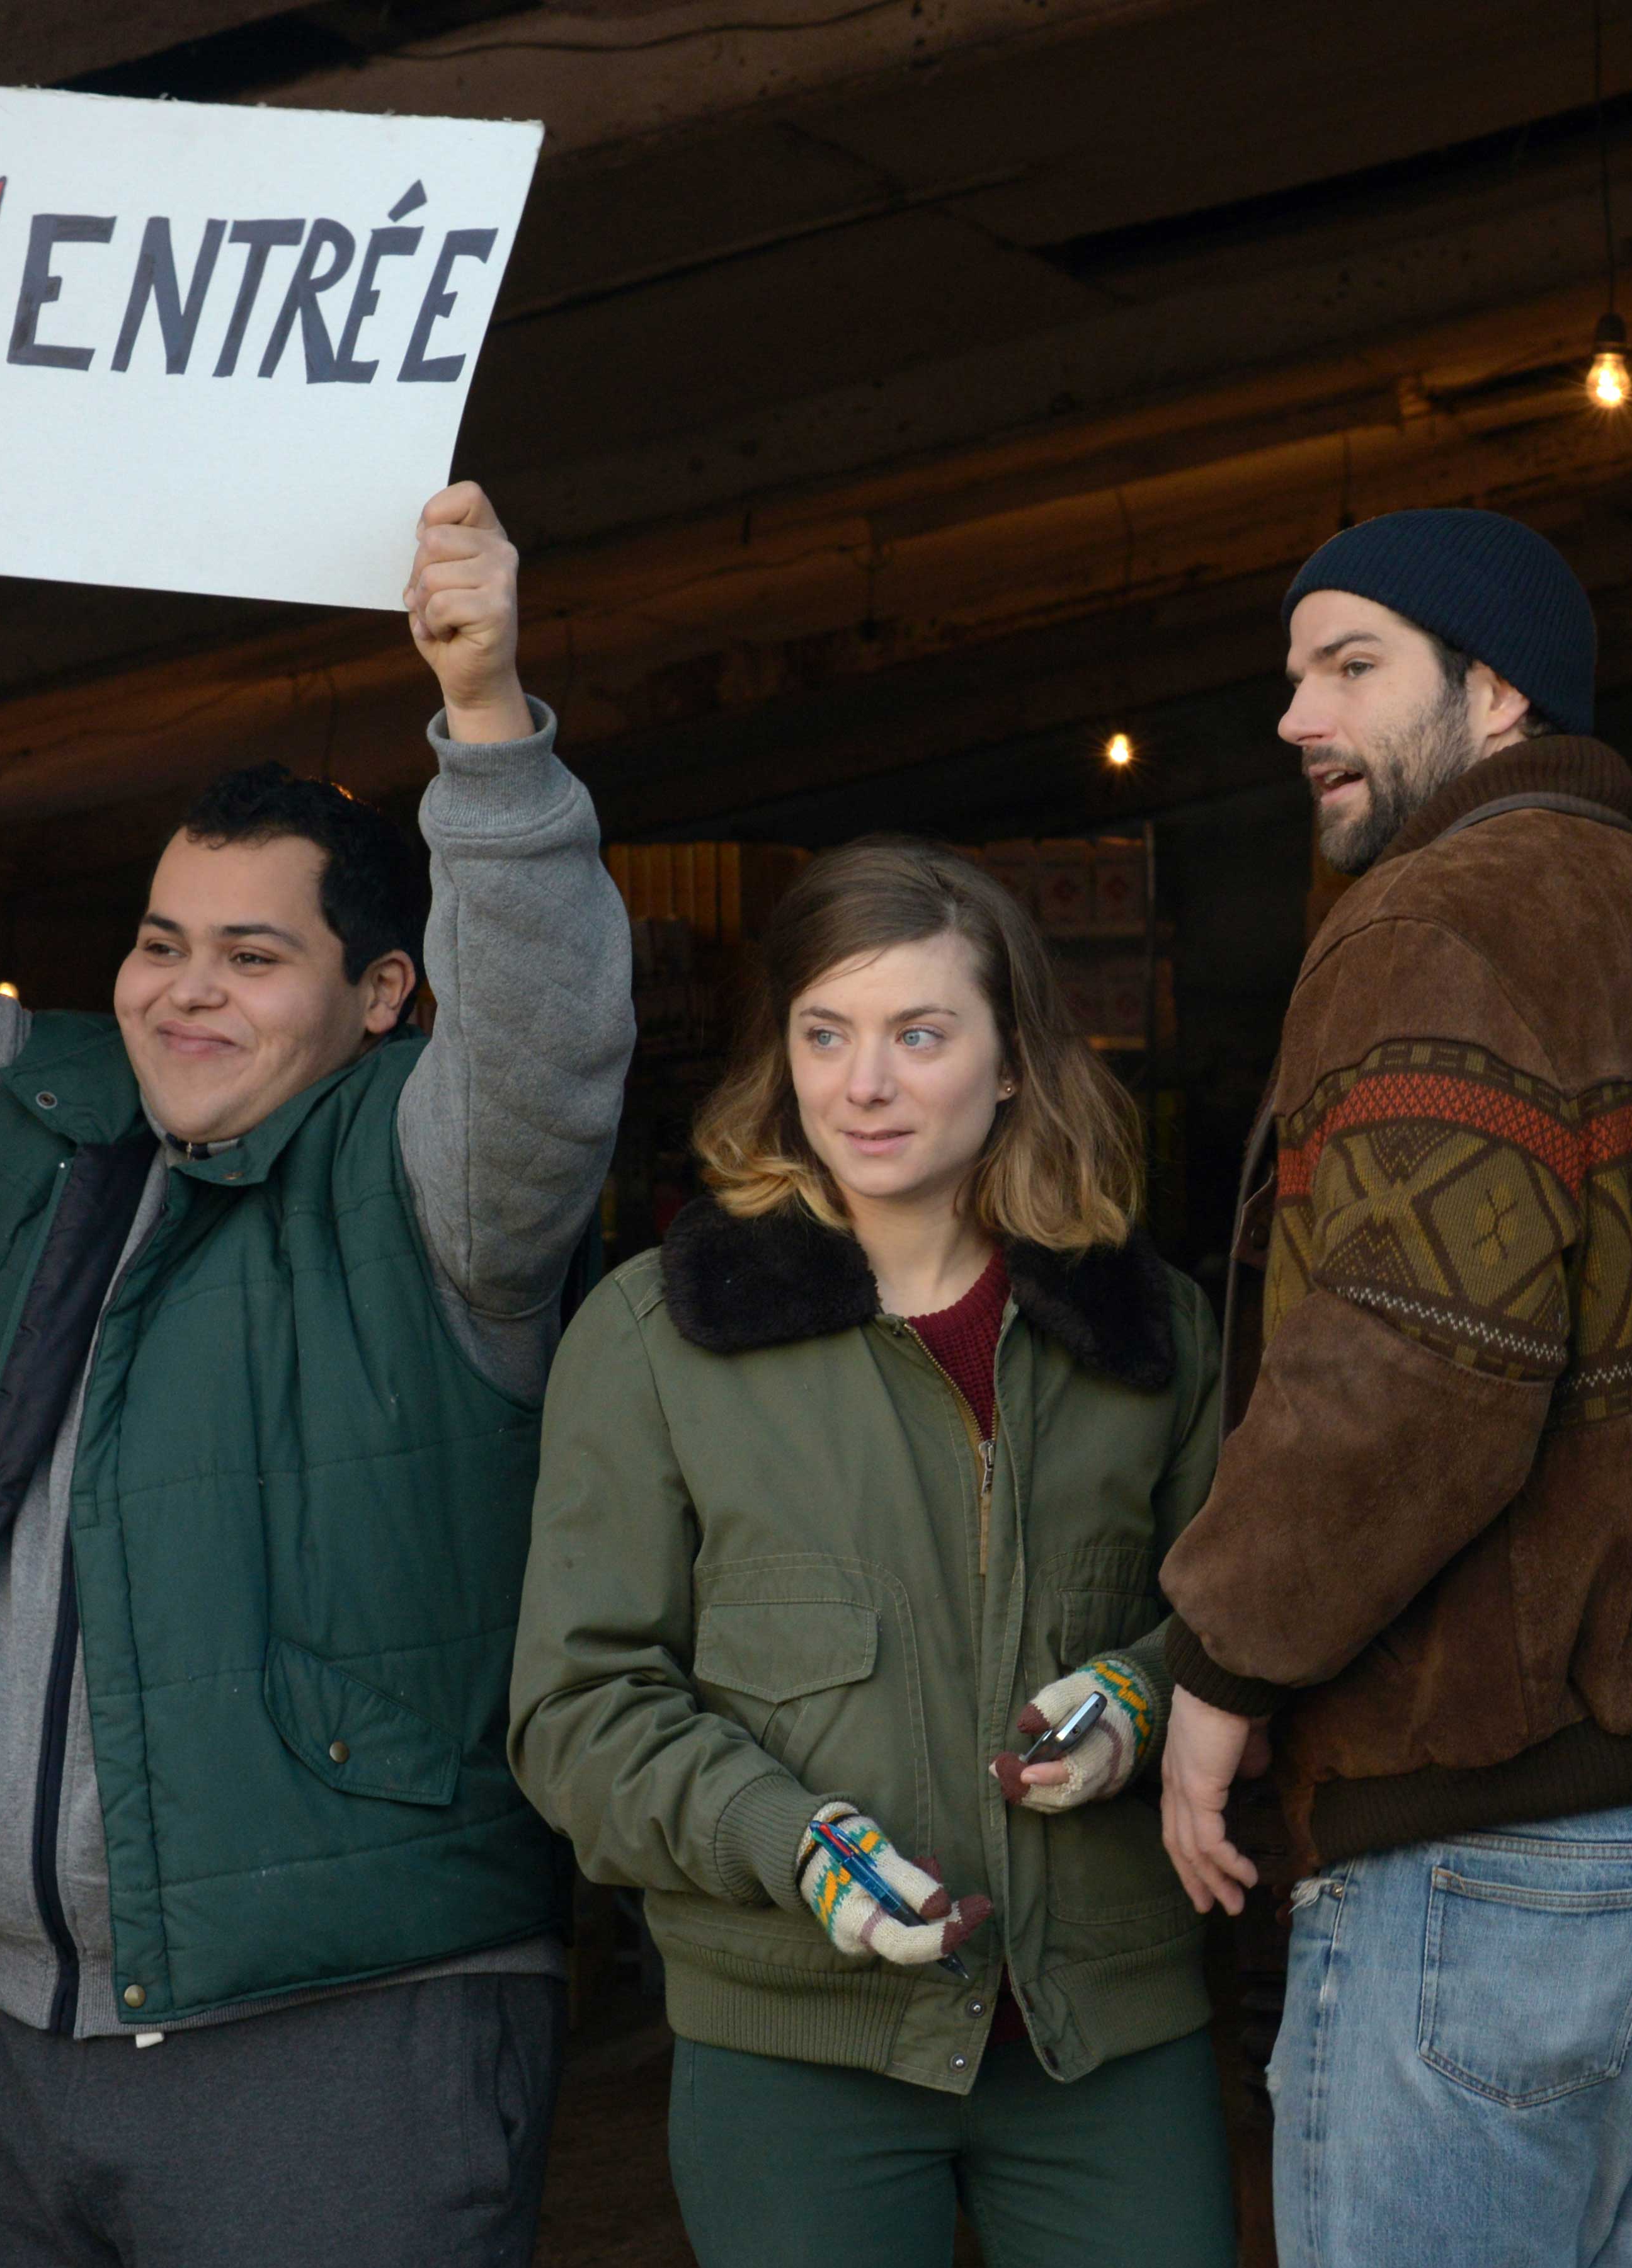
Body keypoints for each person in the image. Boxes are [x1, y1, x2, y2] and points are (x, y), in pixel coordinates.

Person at [0, 405, 634, 2265]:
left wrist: (490, 713)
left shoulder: (440, 1182)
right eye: (158, 938)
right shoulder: (38, 1118)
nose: (182, 986)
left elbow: (544, 1045)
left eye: (252, 953)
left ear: (380, 994)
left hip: (339, 2036)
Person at [1148, 508, 1632, 2266]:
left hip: (1502, 1848)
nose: (1292, 718)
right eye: (1289, 673)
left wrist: (1221, 1660)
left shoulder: (1433, 926)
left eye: (1348, 667)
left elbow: (1413, 1362)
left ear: (1492, 694)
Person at [506, 842, 1235, 2268]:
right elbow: (576, 1709)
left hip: (1108, 2033)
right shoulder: (660, 1334)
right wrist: (797, 1846)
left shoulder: (1148, 1330)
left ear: (1013, 1059)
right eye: (824, 1035)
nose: (865, 1084)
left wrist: (1142, 1705)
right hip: (796, 2047)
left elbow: (1230, 1620)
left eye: (920, 1034)